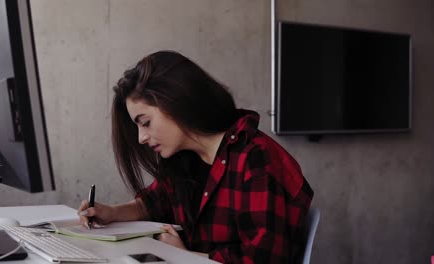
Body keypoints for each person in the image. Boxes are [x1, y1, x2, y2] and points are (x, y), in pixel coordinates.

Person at [78, 50, 314, 263]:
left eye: (146, 123)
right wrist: (111, 213)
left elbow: (263, 259)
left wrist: (185, 256)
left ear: (176, 101)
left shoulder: (255, 158)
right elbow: (152, 203)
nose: (141, 138)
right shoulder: (185, 158)